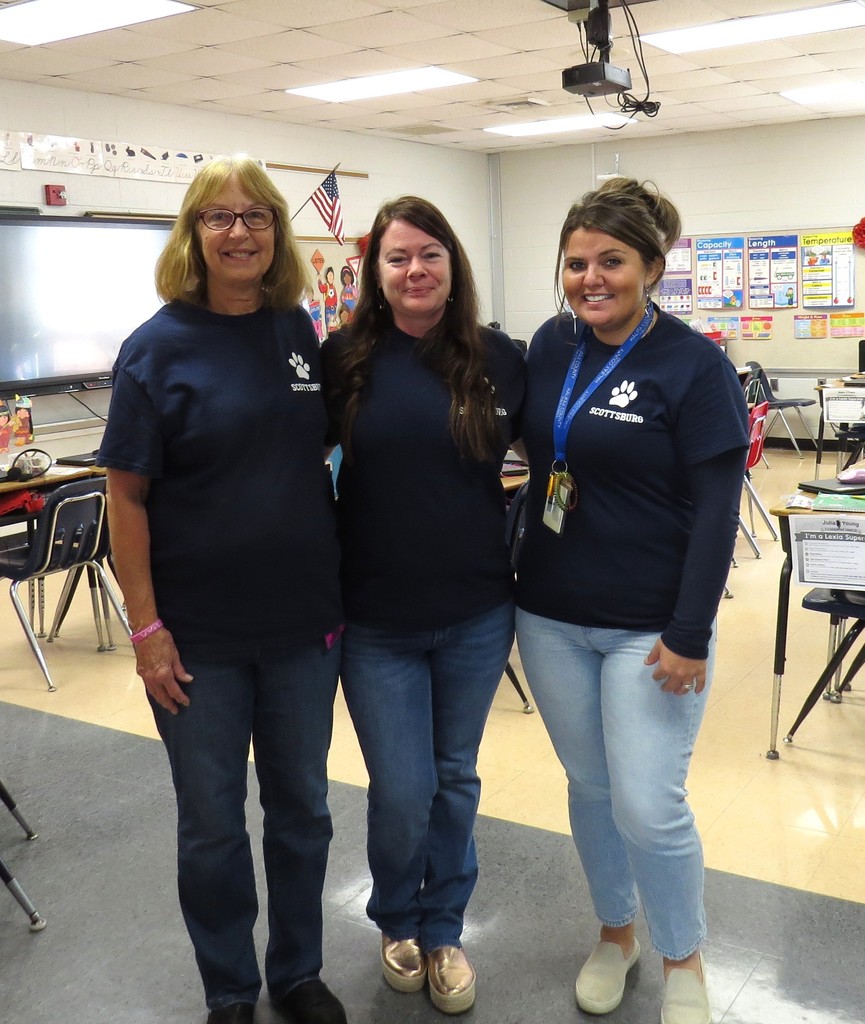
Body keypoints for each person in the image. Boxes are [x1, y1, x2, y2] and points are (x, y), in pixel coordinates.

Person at [98, 156, 347, 1024]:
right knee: (210, 824)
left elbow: (308, 456)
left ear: (277, 231)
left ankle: (298, 971)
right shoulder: (155, 348)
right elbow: (124, 496)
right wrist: (145, 628)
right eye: (217, 217)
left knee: (302, 812)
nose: (239, 231)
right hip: (195, 637)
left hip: (302, 626)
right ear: (192, 234)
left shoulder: (295, 331)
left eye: (256, 216)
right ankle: (231, 988)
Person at [513, 178, 749, 1024]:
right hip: (546, 615)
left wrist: (690, 632)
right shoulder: (549, 345)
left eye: (610, 261)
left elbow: (718, 510)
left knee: (648, 803)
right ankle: (615, 933)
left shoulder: (693, 364)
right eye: (574, 264)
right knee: (588, 787)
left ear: (651, 265)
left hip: (650, 629)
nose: (589, 278)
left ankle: (682, 954)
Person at [322, 196, 525, 1015]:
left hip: (478, 612)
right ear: (375, 273)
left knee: (454, 779)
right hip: (376, 620)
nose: (415, 270)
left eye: (429, 254)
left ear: (452, 265)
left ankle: (443, 929)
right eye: (398, 257)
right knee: (401, 788)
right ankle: (394, 918)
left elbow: (556, 464)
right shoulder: (343, 360)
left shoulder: (498, 358)